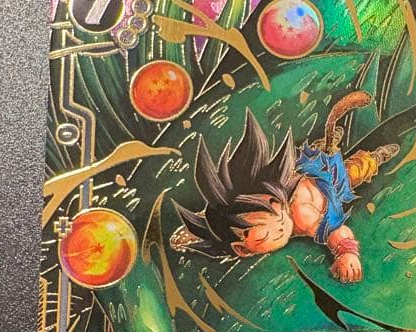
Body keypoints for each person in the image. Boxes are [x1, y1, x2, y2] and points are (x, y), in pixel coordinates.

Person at [170, 92, 398, 282]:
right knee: (357, 169)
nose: (278, 220)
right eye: (262, 233)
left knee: (322, 149)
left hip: (311, 164)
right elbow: (337, 233)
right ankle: (378, 156)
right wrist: (348, 254)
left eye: (272, 204)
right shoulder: (306, 219)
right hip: (337, 181)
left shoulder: (277, 190)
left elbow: (231, 204)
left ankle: (334, 141)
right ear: (243, 249)